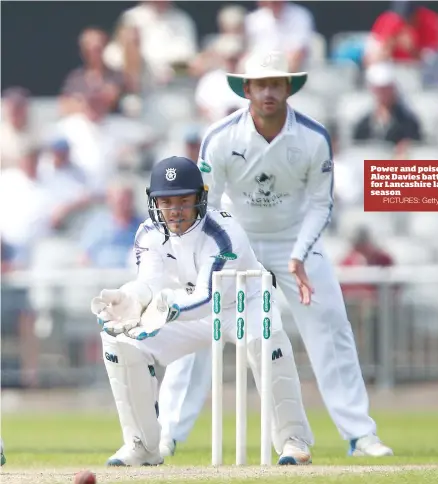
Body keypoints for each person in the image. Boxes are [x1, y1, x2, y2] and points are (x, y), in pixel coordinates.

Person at [157, 51, 394, 458]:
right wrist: (215, 256)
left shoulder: (312, 137)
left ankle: (360, 434)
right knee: (197, 322)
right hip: (236, 239)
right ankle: (166, 435)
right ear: (246, 89)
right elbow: (206, 206)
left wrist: (299, 256)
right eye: (261, 84)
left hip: (294, 240)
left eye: (276, 84)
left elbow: (321, 205)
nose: (268, 92)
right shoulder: (221, 137)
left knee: (330, 324)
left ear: (288, 88)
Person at [91, 156, 313, 466]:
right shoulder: (148, 233)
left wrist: (162, 309)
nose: (175, 210)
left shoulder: (223, 232)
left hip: (242, 304)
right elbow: (150, 281)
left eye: (184, 200)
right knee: (120, 341)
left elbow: (210, 297)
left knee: (267, 343)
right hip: (185, 306)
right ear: (154, 202)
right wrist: (130, 298)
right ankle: (143, 445)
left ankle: (293, 440)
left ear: (200, 198)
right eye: (166, 202)